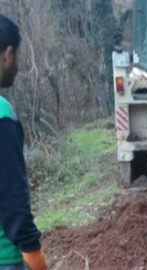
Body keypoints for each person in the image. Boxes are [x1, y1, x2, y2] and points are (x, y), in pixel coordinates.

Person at [0, 13, 47, 270]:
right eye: (17, 55)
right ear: (7, 53)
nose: (18, 64)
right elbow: (11, 198)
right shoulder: (1, 114)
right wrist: (34, 254)